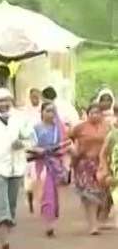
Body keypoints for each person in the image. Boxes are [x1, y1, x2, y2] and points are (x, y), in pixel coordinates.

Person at [0, 88, 33, 249]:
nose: (3, 104)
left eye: (6, 100)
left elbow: (31, 139)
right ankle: (2, 242)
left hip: (16, 167)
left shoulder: (20, 119)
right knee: (0, 206)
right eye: (0, 100)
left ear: (11, 101)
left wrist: (22, 144)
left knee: (10, 207)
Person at [28, 101, 70, 237]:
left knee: (52, 194)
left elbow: (65, 145)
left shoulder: (59, 128)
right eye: (47, 111)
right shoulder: (36, 128)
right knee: (43, 193)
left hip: (54, 163)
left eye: (53, 111)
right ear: (42, 112)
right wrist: (38, 150)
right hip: (39, 164)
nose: (50, 114)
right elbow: (30, 145)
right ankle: (47, 222)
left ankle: (50, 223)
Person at [68, 103, 111, 235]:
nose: (95, 115)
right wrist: (73, 149)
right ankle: (93, 225)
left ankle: (95, 220)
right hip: (84, 163)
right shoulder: (80, 127)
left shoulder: (107, 127)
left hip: (101, 164)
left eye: (97, 112)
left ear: (101, 114)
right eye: (92, 113)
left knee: (100, 194)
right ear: (87, 114)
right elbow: (67, 137)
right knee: (89, 194)